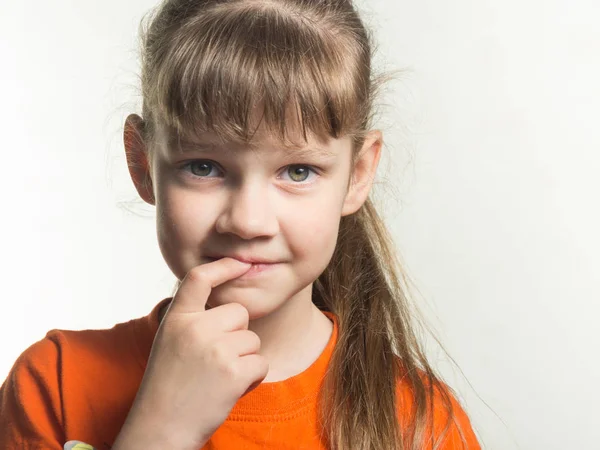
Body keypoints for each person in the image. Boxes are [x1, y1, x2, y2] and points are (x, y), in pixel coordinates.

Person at [0, 0, 481, 449]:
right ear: (143, 164)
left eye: (298, 171)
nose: (249, 222)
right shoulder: (56, 385)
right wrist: (161, 428)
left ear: (358, 175)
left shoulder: (423, 424)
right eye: (204, 167)